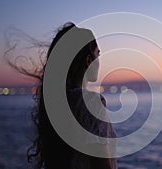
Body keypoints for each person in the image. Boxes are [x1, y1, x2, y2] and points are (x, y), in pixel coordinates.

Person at [23, 22, 117, 169]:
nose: (100, 59)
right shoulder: (90, 103)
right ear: (88, 60)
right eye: (98, 53)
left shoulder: (56, 102)